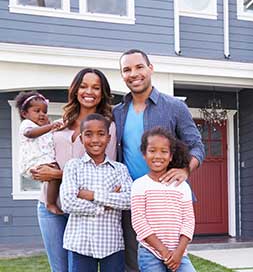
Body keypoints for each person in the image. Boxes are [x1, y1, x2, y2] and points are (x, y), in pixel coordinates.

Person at [113, 49, 205, 271]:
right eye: (127, 69)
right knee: (136, 264)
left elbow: (197, 146)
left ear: (150, 68)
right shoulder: (117, 112)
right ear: (122, 75)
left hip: (167, 200)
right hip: (131, 200)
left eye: (139, 67)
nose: (133, 74)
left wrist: (186, 170)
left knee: (175, 261)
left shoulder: (174, 107)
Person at [30, 68, 116, 272]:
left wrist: (57, 175)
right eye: (84, 86)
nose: (89, 91)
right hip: (48, 206)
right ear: (76, 89)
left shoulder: (107, 126)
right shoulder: (62, 122)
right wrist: (38, 167)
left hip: (81, 209)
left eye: (96, 87)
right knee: (59, 269)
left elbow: (103, 171)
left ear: (102, 93)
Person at [60, 113, 131, 272]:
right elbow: (68, 203)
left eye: (101, 134)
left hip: (111, 243)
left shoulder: (119, 169)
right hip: (80, 244)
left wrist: (92, 195)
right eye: (88, 134)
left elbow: (128, 200)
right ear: (81, 138)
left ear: (109, 137)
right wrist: (106, 204)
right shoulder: (73, 166)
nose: (95, 140)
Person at [131, 127, 195, 272]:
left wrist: (178, 252)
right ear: (144, 154)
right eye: (152, 151)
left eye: (164, 151)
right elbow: (139, 222)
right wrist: (164, 252)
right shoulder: (139, 185)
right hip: (150, 252)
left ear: (171, 156)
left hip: (179, 253)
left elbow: (188, 220)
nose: (158, 156)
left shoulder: (181, 186)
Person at [15, 91, 63, 215]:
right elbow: (30, 133)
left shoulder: (44, 127)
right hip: (33, 162)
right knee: (55, 172)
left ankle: (52, 201)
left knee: (55, 173)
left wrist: (50, 126)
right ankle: (50, 203)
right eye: (37, 111)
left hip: (43, 161)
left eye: (44, 112)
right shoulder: (27, 124)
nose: (42, 114)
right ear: (25, 113)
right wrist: (50, 126)